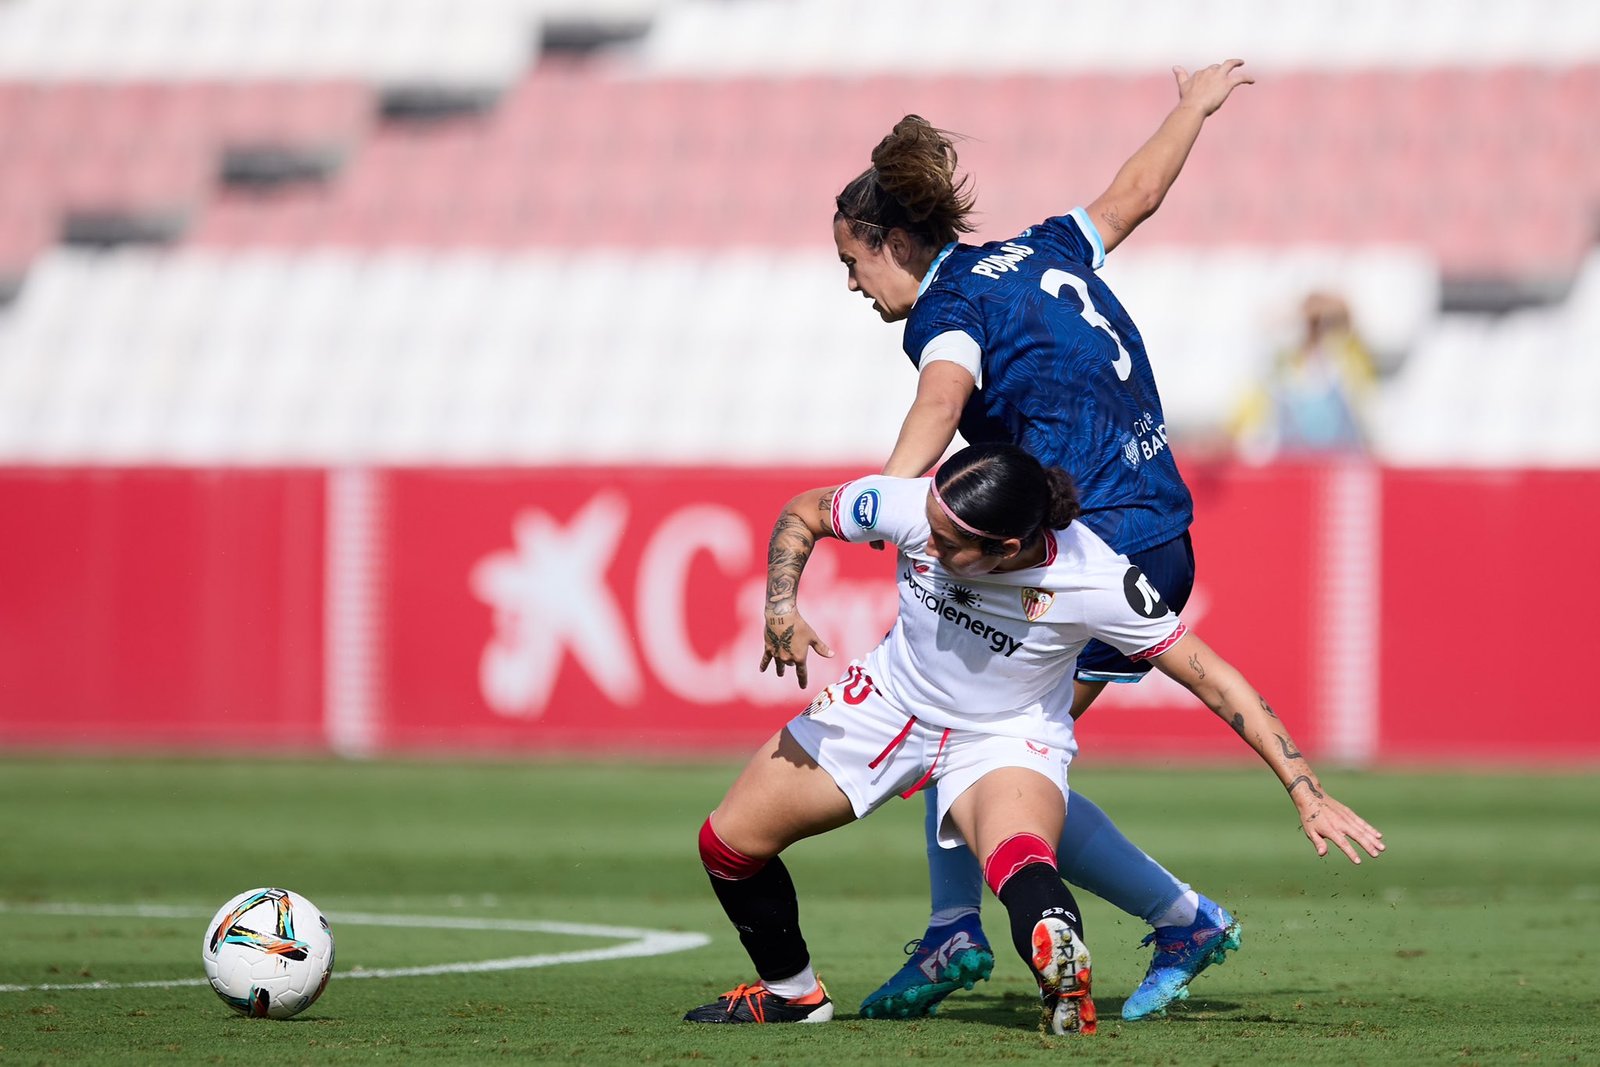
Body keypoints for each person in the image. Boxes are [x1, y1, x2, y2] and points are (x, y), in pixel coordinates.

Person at [682, 444, 1383, 1034]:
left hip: (1005, 736)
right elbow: (805, 510)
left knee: (1018, 857)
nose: (928, 542)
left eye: (952, 543)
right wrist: (780, 603)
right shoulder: (916, 505)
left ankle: (1059, 967)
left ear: (1009, 546)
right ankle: (793, 992)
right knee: (729, 844)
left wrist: (1305, 789)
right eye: (928, 525)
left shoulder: (1094, 576)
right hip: (888, 700)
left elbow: (1218, 680)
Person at [832, 60, 1259, 1020]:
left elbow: (942, 392)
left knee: (986, 742)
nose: (853, 284)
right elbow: (1138, 193)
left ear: (894, 241)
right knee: (976, 727)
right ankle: (956, 930)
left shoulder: (951, 310)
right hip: (1156, 524)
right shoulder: (1042, 249)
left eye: (854, 261)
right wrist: (1191, 107)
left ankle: (1173, 916)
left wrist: (897, 501)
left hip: (1092, 549)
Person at [1229, 290, 1379, 460]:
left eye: (1318, 322)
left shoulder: (1346, 358)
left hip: (1339, 464)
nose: (1315, 329)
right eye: (1310, 323)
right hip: (1293, 467)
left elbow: (1362, 390)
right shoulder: (1281, 364)